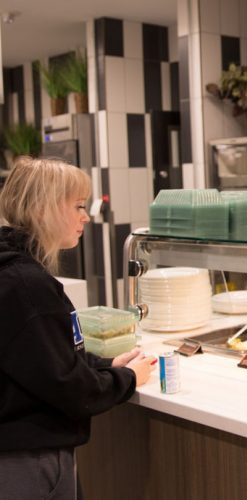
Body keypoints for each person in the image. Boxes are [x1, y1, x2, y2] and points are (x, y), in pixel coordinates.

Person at [0, 157, 156, 500]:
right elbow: (69, 388)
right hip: (27, 461)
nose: (86, 216)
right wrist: (128, 378)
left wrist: (104, 365)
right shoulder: (26, 285)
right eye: (78, 206)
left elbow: (46, 359)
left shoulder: (16, 273)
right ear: (43, 210)